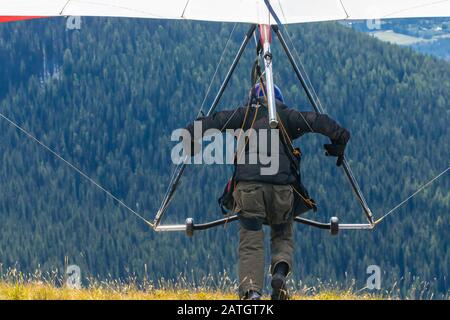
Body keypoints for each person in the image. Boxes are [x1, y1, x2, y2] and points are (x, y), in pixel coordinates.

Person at [185, 83, 350, 300]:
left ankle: (252, 293)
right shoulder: (287, 116)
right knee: (282, 232)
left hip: (249, 188)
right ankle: (279, 273)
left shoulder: (243, 116)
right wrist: (339, 139)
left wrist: (190, 137)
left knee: (251, 240)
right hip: (282, 188)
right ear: (278, 99)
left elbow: (213, 121)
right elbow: (318, 121)